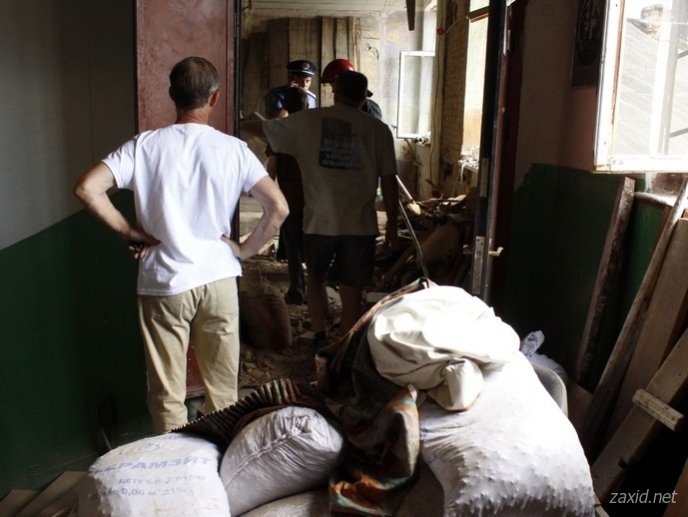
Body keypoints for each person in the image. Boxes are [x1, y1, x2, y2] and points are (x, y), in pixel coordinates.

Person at [74, 56, 289, 433]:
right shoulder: (234, 150)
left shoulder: (144, 146)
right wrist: (244, 250)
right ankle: (221, 457)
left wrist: (128, 231)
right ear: (214, 98)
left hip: (164, 282)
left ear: (172, 95)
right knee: (223, 391)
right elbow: (278, 208)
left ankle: (174, 461)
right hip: (219, 279)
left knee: (167, 395)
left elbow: (87, 188)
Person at [243, 71, 399, 350]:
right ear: (364, 98)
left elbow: (263, 129)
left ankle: (319, 336)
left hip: (318, 223)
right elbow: (389, 182)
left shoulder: (309, 121)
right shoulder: (379, 130)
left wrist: (235, 123)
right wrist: (393, 228)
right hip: (360, 226)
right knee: (351, 291)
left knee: (315, 279)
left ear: (335, 93)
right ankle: (343, 347)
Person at [268, 87, 309, 305]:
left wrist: (268, 195)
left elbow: (273, 165)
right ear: (307, 105)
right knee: (313, 242)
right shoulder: (316, 128)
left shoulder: (280, 130)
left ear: (285, 107)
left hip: (290, 197)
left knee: (293, 245)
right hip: (315, 196)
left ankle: (298, 289)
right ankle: (316, 289)